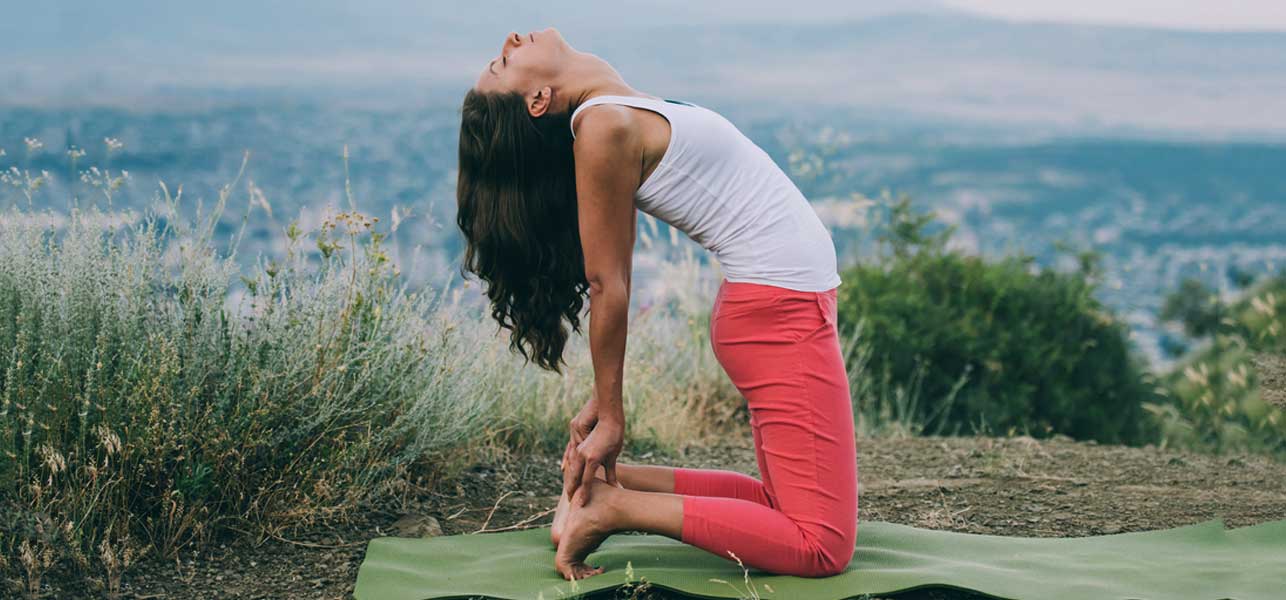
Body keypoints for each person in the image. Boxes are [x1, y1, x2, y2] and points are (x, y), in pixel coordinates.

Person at [458, 26, 857, 582]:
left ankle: (600, 487)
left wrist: (603, 404)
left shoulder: (611, 106)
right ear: (538, 99)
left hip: (775, 310)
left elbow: (613, 274)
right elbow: (608, 283)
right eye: (504, 61)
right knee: (821, 546)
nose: (511, 39)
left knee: (776, 504)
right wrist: (611, 412)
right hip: (778, 318)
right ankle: (610, 508)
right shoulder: (602, 126)